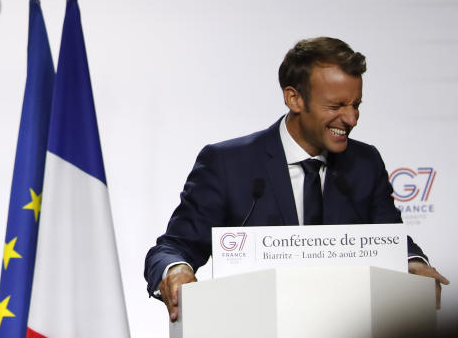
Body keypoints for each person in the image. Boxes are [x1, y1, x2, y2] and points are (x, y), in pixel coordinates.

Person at [145, 37, 449, 323]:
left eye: (356, 105)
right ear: (294, 99)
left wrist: (414, 263)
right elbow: (172, 248)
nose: (352, 119)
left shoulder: (364, 163)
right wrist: (176, 270)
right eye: (336, 106)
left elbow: (391, 241)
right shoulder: (228, 164)